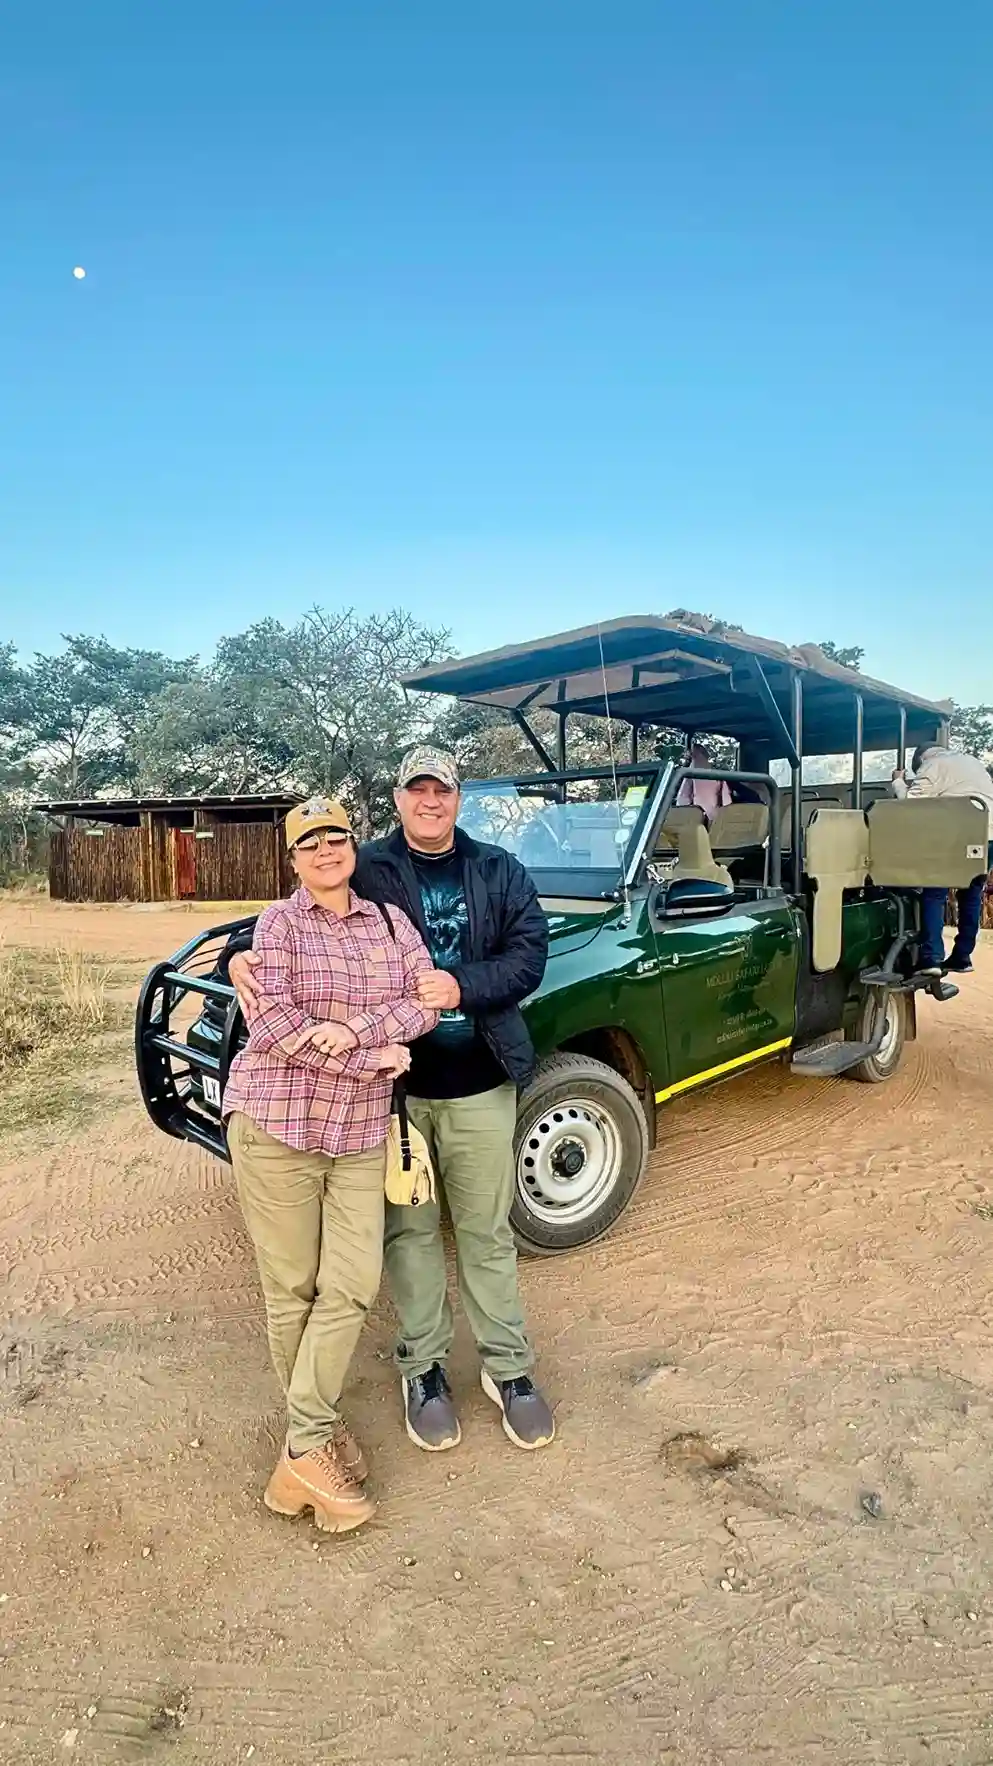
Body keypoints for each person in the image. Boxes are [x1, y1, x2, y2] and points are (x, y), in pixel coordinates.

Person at [230, 746, 556, 1455]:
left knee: (485, 1230)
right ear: (400, 799)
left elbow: (530, 955)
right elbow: (289, 913)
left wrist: (462, 985)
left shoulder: (498, 870)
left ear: (458, 798)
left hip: (478, 1081)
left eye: (442, 789)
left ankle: (509, 1370)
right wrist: (238, 959)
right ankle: (424, 1369)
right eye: (417, 789)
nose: (430, 801)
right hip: (392, 1098)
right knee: (408, 1235)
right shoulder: (367, 864)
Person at [222, 796, 438, 1534]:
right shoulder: (276, 925)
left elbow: (424, 1004)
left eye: (335, 837)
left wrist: (356, 1034)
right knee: (292, 1288)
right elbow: (274, 1027)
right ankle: (313, 1443)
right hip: (276, 1124)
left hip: (356, 1134)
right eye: (308, 842)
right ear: (292, 860)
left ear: (354, 846)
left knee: (351, 1282)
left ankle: (302, 1447)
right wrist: (375, 1056)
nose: (324, 850)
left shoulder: (388, 922)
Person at [892, 744, 993, 974]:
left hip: (957, 836)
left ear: (920, 759)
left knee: (934, 893)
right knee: (971, 894)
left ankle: (931, 959)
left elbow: (911, 802)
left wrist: (898, 781)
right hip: (988, 836)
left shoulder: (932, 765)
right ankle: (962, 957)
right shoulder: (972, 762)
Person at [676, 742, 731, 823]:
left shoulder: (690, 773)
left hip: (697, 817)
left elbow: (683, 799)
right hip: (714, 816)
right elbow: (726, 799)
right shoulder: (717, 774)